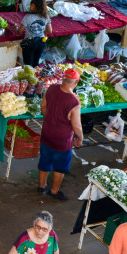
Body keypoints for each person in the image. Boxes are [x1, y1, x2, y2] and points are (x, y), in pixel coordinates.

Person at [38, 68, 83, 201]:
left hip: (46, 134)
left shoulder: (52, 88)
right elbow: (76, 126)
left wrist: (49, 119)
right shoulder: (74, 102)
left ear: (64, 79)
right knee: (60, 167)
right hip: (62, 141)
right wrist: (80, 137)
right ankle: (54, 191)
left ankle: (42, 186)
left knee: (45, 159)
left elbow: (43, 106)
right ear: (76, 82)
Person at [19, 0, 52, 66]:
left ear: (36, 7)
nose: (30, 7)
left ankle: (30, 72)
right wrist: (40, 32)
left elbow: (20, 31)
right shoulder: (46, 16)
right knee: (36, 63)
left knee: (28, 64)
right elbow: (49, 31)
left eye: (32, 6)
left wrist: (16, 29)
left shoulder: (28, 17)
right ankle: (35, 72)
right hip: (41, 42)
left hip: (29, 43)